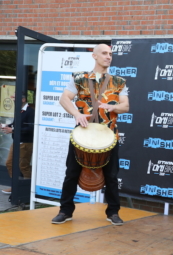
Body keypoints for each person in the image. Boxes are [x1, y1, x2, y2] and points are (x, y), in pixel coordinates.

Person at [52, 44, 129, 225]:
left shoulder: (119, 81)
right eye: (104, 53)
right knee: (71, 173)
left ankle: (113, 212)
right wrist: (77, 114)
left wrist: (114, 107)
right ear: (94, 56)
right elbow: (64, 98)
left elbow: (125, 106)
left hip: (109, 137)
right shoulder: (79, 78)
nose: (108, 57)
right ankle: (65, 211)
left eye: (110, 54)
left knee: (111, 176)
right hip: (82, 136)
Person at [1, 94, 35, 194]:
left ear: (23, 99)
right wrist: (6, 126)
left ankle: (28, 189)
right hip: (16, 142)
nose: (14, 100)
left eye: (16, 98)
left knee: (23, 166)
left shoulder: (30, 112)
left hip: (26, 143)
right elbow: (16, 124)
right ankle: (15, 186)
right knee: (9, 163)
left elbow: (31, 128)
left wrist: (13, 129)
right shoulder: (18, 110)